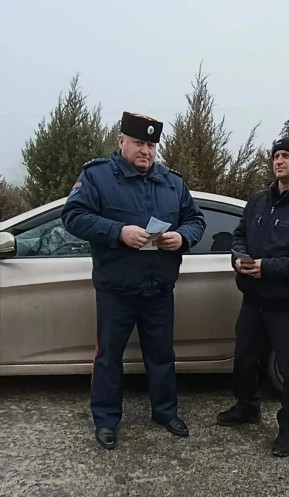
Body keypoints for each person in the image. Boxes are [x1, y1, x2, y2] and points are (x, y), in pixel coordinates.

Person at [61, 112, 206, 450]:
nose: (146, 151)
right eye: (139, 143)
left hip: (159, 288)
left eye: (151, 145)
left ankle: (165, 412)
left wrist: (182, 237)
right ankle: (106, 420)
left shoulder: (172, 182)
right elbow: (73, 216)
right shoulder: (97, 176)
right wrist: (118, 231)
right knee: (109, 358)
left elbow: (196, 219)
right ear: (121, 141)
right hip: (116, 289)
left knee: (162, 355)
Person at [217, 136, 289, 457]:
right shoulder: (258, 200)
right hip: (252, 298)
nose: (279, 161)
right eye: (276, 156)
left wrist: (267, 268)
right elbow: (239, 236)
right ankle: (247, 406)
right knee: (244, 357)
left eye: (286, 156)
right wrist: (238, 257)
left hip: (286, 304)